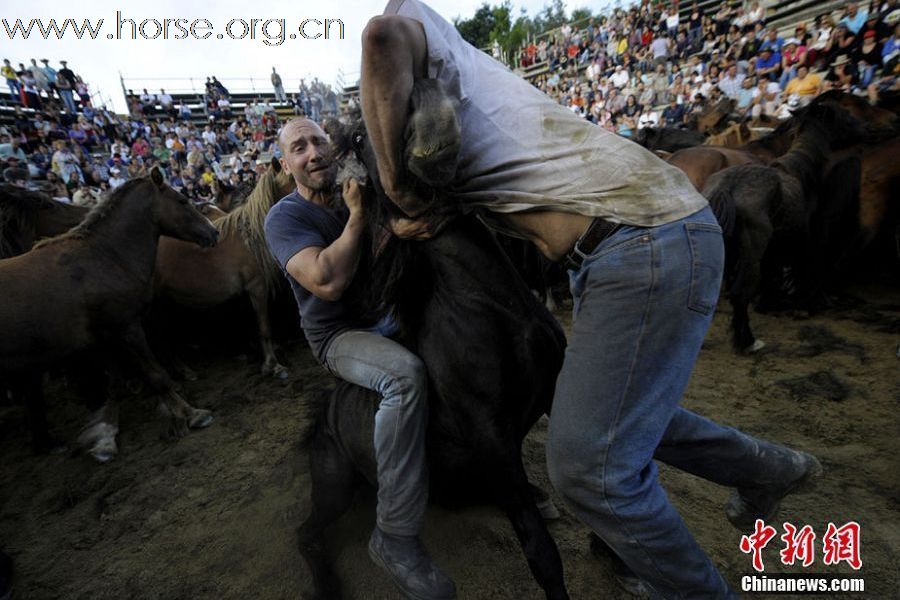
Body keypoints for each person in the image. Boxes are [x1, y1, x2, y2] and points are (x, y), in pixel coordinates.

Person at [358, 1, 823, 597]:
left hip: (639, 239)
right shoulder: (454, 68)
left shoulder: (409, 28)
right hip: (645, 237)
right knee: (621, 418)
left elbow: (379, 36)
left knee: (585, 472)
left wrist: (395, 186)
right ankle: (770, 469)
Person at [263, 118, 455, 600]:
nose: (313, 152)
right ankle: (394, 534)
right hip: (340, 336)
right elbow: (326, 280)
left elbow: (397, 228)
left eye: (318, 141)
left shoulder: (358, 192)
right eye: (299, 148)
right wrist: (355, 217)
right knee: (404, 377)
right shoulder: (285, 219)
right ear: (286, 165)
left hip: (389, 314)